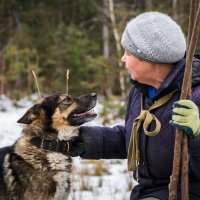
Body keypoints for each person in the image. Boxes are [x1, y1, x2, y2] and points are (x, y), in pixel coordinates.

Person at [71, 12, 200, 200]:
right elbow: (131, 138)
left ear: (151, 59)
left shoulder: (194, 96)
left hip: (186, 192)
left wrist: (197, 136)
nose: (123, 59)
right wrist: (81, 141)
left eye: (128, 53)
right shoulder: (141, 92)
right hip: (148, 192)